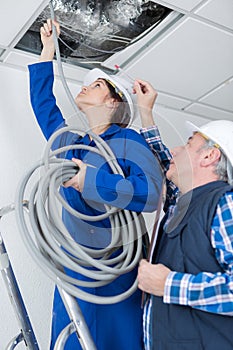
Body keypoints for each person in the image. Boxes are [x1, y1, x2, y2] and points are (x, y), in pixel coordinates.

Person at [28, 19, 163, 350]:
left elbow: (150, 193)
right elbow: (43, 106)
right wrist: (47, 49)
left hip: (114, 267)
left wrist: (92, 180)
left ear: (114, 102)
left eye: (98, 85)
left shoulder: (128, 140)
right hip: (75, 265)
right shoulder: (71, 144)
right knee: (71, 339)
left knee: (116, 341)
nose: (86, 87)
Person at [135, 79, 233, 350]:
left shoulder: (225, 204)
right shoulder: (185, 204)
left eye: (187, 144)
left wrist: (169, 284)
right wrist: (145, 112)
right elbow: (168, 164)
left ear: (209, 157)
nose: (175, 150)